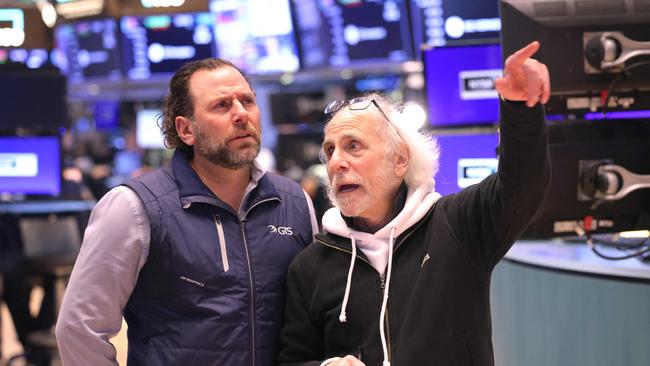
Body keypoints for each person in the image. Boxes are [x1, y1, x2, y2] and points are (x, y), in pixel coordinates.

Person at [277, 41, 552, 366]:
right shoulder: (310, 265)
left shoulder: (457, 225)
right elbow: (293, 359)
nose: (336, 162)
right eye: (330, 149)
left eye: (353, 146)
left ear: (400, 160)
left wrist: (519, 109)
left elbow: (524, 184)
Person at [56, 58, 319, 365]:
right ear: (186, 129)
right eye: (221, 105)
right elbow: (79, 330)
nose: (241, 114)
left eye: (247, 101)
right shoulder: (134, 207)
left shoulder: (294, 202)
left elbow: (314, 318)